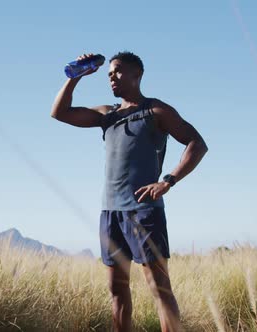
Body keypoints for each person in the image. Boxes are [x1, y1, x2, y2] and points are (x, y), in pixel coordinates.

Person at [50, 52, 208, 332]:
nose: (112, 76)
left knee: (159, 288)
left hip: (143, 210)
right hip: (110, 212)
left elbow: (197, 143)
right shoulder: (107, 115)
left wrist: (168, 180)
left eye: (118, 71)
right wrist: (75, 78)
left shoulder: (155, 110)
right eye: (109, 73)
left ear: (138, 75)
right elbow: (59, 113)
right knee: (117, 289)